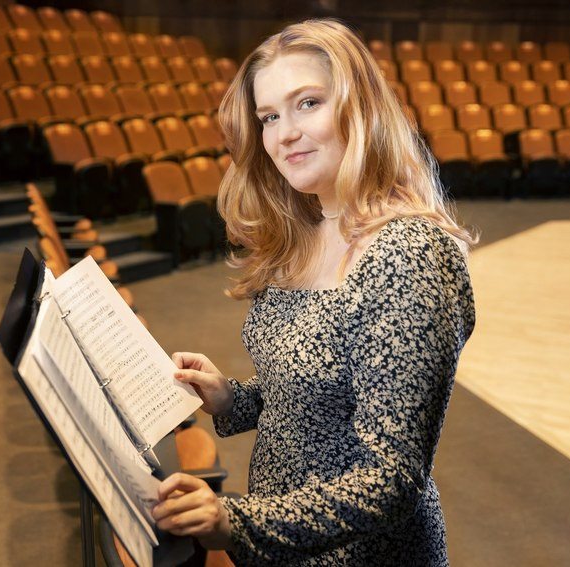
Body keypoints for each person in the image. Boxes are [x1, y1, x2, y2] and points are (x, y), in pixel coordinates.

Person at [150, 19, 477, 566]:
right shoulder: (310, 227)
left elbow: (392, 478)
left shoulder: (408, 253)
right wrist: (231, 399)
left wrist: (236, 521)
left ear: (360, 108)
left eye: (307, 103)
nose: (284, 134)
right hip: (285, 543)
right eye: (269, 117)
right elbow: (321, 395)